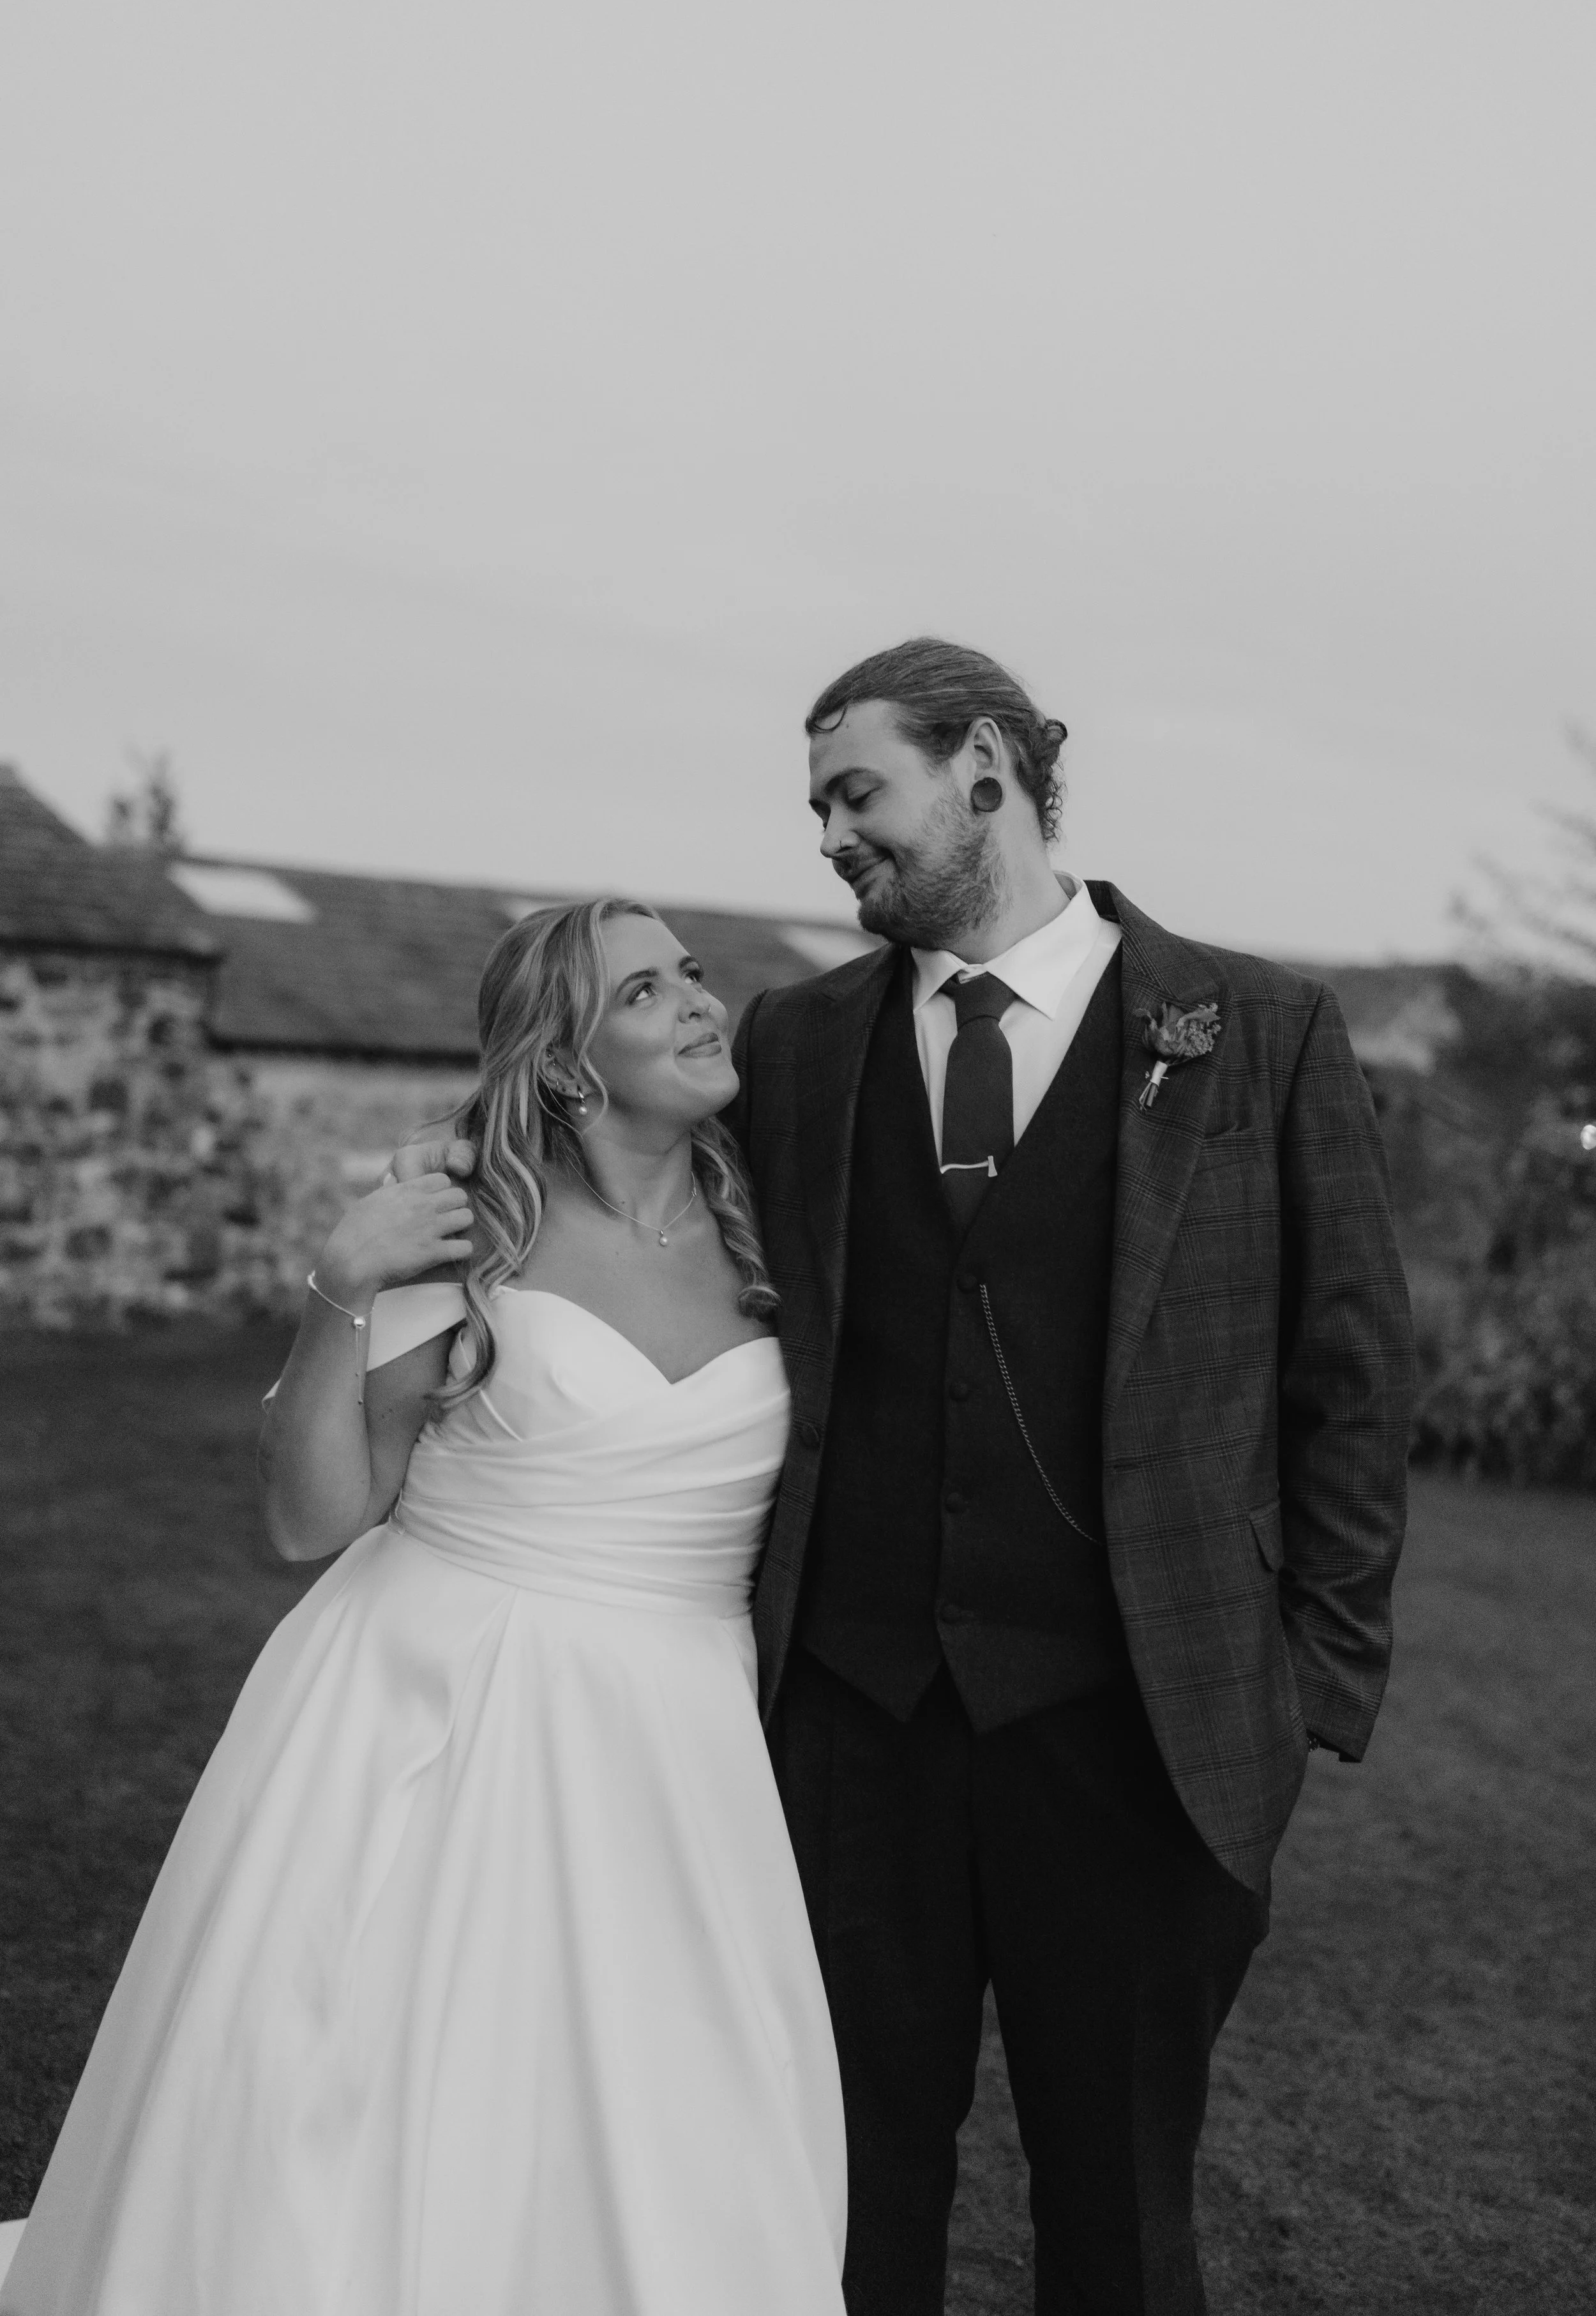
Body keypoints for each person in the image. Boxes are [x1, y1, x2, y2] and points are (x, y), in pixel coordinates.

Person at [2, 900, 847, 2316]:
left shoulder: (781, 1215)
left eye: (691, 972)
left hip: (677, 1742)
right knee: (360, 2080)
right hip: (434, 1698)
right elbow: (309, 1519)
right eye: (648, 990)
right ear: (570, 1065)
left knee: (661, 2107)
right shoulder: (468, 1229)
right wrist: (339, 1283)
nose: (703, 1002)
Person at [721, 639, 1415, 2315]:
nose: (828, 835)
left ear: (983, 771)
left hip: (1139, 1732)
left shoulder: (1257, 1027)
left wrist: (1311, 1674)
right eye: (816, 804)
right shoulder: (795, 1042)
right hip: (846, 1726)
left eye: (854, 791)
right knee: (837, 2189)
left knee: (1114, 2209)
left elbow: (1350, 1372)